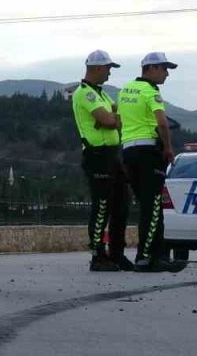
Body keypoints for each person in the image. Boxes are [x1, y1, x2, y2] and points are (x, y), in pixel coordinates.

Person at [118, 52, 187, 272]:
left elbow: (120, 119)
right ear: (151, 68)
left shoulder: (125, 90)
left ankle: (158, 256)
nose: (167, 74)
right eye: (164, 69)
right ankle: (146, 257)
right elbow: (162, 123)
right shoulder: (151, 91)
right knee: (153, 206)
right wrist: (167, 148)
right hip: (149, 152)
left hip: (129, 151)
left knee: (147, 205)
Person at [72, 49, 133, 272]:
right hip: (97, 155)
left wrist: (112, 119)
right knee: (102, 205)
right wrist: (111, 120)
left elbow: (118, 118)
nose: (109, 73)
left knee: (122, 203)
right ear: (97, 68)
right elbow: (109, 119)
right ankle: (98, 255)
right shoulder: (85, 93)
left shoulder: (103, 95)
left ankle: (117, 253)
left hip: (113, 153)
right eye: (108, 68)